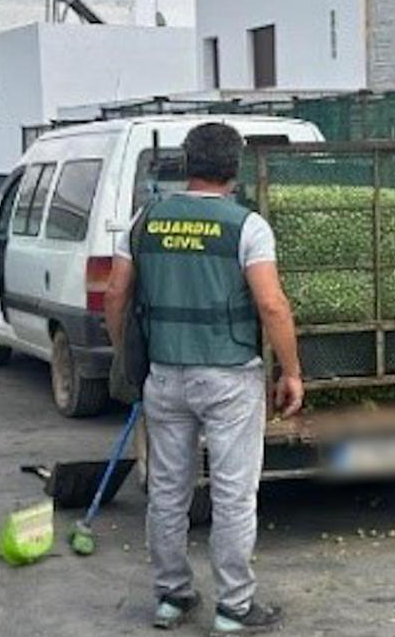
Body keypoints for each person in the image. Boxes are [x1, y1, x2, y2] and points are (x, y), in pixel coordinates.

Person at [104, 122, 304, 634]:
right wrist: (292, 372)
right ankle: (235, 607)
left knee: (168, 492)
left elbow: (115, 296)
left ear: (186, 164)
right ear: (234, 169)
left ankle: (172, 596)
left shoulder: (145, 219)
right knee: (233, 494)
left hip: (165, 377)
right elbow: (272, 306)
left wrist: (126, 354)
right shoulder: (247, 226)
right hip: (229, 378)